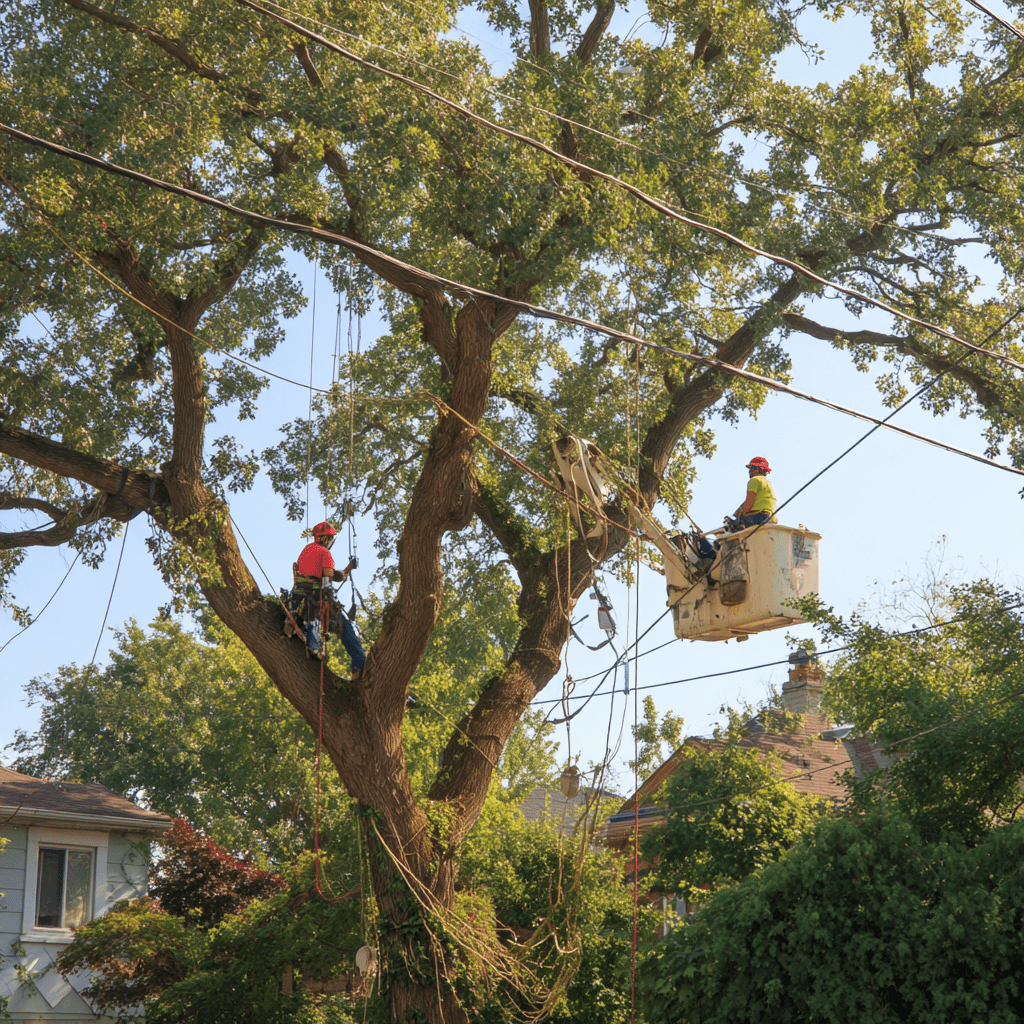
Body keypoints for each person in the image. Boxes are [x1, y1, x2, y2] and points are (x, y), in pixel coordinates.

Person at [289, 522, 366, 677]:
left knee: (314, 623)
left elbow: (330, 574)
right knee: (347, 630)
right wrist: (326, 595)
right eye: (331, 538)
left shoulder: (307, 551)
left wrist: (348, 569)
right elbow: (327, 576)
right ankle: (359, 665)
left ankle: (310, 641)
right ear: (326, 538)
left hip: (300, 600)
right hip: (319, 602)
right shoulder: (324, 553)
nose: (331, 541)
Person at [694, 457, 777, 560]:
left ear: (757, 469)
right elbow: (755, 501)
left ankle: (712, 553)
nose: (749, 472)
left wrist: (740, 515)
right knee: (735, 524)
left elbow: (749, 502)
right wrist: (738, 512)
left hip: (756, 518)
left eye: (751, 469)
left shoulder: (754, 480)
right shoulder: (769, 484)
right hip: (768, 519)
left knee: (730, 527)